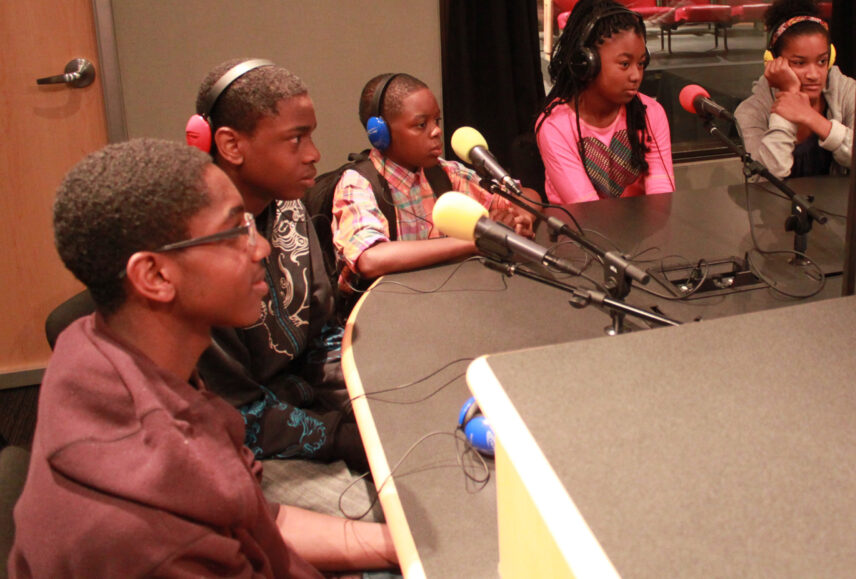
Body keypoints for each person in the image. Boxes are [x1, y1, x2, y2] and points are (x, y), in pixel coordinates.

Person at [8, 139, 398, 577]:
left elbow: (256, 519)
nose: (262, 249)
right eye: (236, 232)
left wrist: (400, 544)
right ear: (155, 275)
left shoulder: (99, 345)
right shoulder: (154, 538)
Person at [187, 59, 367, 475]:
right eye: (295, 139)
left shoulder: (288, 207)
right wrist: (343, 434)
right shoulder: (195, 252)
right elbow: (233, 412)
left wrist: (378, 387)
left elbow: (321, 333)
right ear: (231, 146)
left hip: (304, 401)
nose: (314, 154)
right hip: (243, 444)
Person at [331, 72, 537, 302]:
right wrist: (475, 240)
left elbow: (528, 197)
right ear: (381, 135)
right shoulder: (357, 184)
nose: (436, 131)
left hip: (445, 302)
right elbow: (370, 258)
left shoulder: (445, 173)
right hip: (386, 314)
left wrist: (519, 220)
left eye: (436, 121)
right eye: (421, 124)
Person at [535, 0, 675, 204]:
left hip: (641, 230)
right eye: (625, 64)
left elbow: (662, 196)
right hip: (578, 232)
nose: (636, 76)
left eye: (640, 64)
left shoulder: (650, 112)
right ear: (586, 62)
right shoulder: (555, 126)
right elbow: (587, 210)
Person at [734, 0, 856, 179]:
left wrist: (810, 117)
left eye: (822, 61)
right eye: (799, 63)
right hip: (777, 207)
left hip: (836, 206)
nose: (814, 75)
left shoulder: (846, 91)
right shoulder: (751, 112)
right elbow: (764, 179)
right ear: (772, 61)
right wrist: (788, 98)